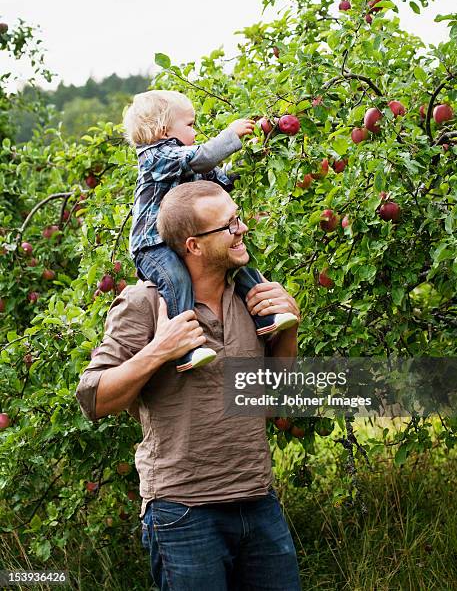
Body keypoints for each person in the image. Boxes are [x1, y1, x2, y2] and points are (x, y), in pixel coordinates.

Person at [76, 182, 302, 590]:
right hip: (182, 512)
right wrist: (159, 350)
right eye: (229, 225)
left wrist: (288, 330)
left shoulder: (251, 296)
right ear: (194, 246)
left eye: (238, 217)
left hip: (258, 501)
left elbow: (275, 404)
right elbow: (93, 397)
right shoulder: (146, 303)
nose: (242, 229)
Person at [123, 90, 298, 372]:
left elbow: (222, 178)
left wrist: (257, 150)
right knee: (177, 280)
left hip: (188, 239)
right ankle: (186, 347)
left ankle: (266, 318)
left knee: (238, 262)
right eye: (190, 125)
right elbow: (202, 158)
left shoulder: (189, 163)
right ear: (162, 129)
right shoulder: (158, 156)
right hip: (154, 244)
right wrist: (231, 135)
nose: (196, 131)